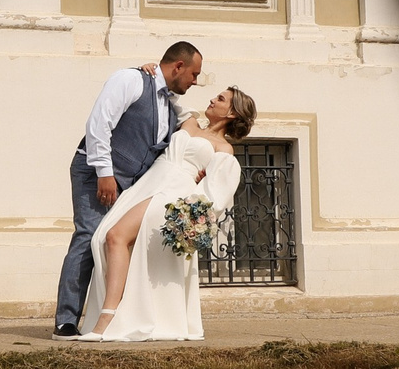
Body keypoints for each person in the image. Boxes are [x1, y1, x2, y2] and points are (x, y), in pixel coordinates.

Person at [77, 87, 257, 341]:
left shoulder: (224, 150)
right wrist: (147, 72)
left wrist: (192, 205)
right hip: (149, 182)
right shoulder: (191, 120)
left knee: (116, 236)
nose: (212, 99)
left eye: (220, 99)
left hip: (173, 193)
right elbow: (166, 94)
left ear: (232, 112)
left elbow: (215, 192)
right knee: (106, 237)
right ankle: (116, 316)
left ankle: (106, 319)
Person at [55, 42, 203, 338]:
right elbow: (99, 123)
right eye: (194, 74)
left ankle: (113, 317)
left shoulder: (170, 102)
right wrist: (104, 173)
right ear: (178, 67)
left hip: (132, 185)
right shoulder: (130, 80)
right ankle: (65, 320)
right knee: (88, 237)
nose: (196, 81)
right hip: (96, 172)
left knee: (117, 243)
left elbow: (187, 124)